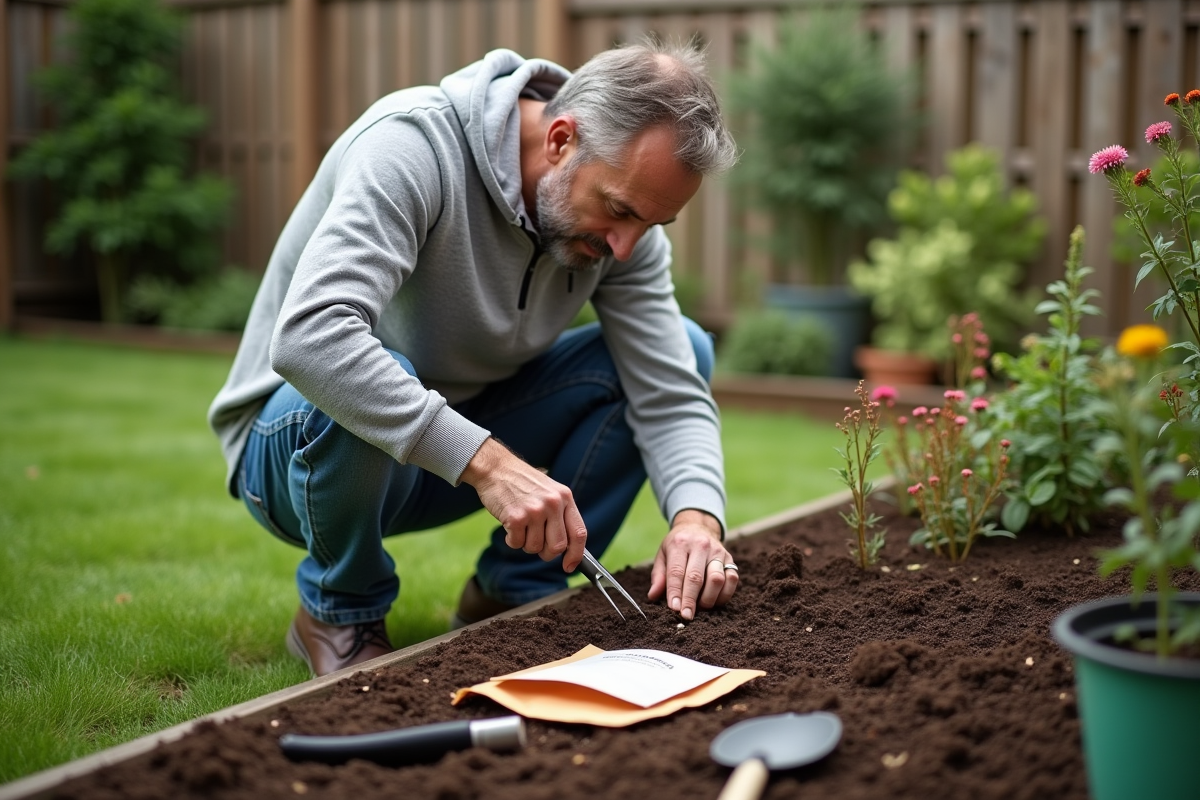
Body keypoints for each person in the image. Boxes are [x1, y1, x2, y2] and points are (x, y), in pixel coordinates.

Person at [208, 39, 741, 677]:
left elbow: (670, 387)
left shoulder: (622, 233)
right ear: (561, 140)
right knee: (368, 371)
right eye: (620, 211)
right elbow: (312, 338)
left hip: (444, 455)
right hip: (297, 454)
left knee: (690, 344)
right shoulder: (412, 147)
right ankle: (337, 611)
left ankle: (511, 594)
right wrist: (489, 465)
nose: (627, 246)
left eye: (652, 225)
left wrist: (697, 520)